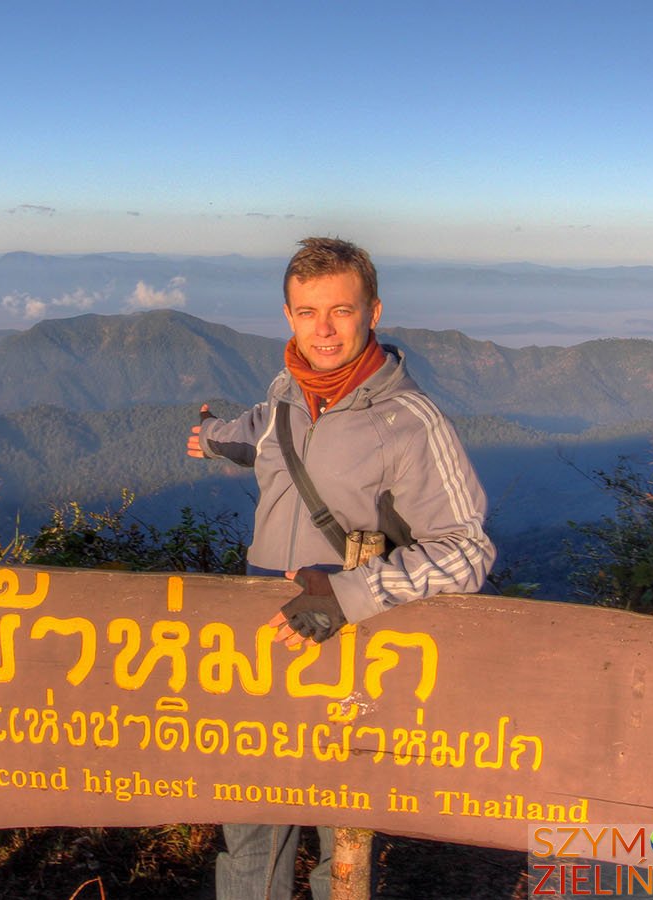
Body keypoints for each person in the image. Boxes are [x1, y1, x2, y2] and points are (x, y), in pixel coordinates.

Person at [185, 236, 495, 900]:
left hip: (354, 651)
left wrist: (348, 596)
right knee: (250, 832)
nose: (321, 330)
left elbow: (467, 552)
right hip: (263, 644)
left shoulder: (410, 422)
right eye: (305, 312)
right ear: (287, 315)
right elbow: (266, 437)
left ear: (373, 311)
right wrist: (210, 437)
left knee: (342, 835)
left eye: (340, 311)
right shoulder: (284, 394)